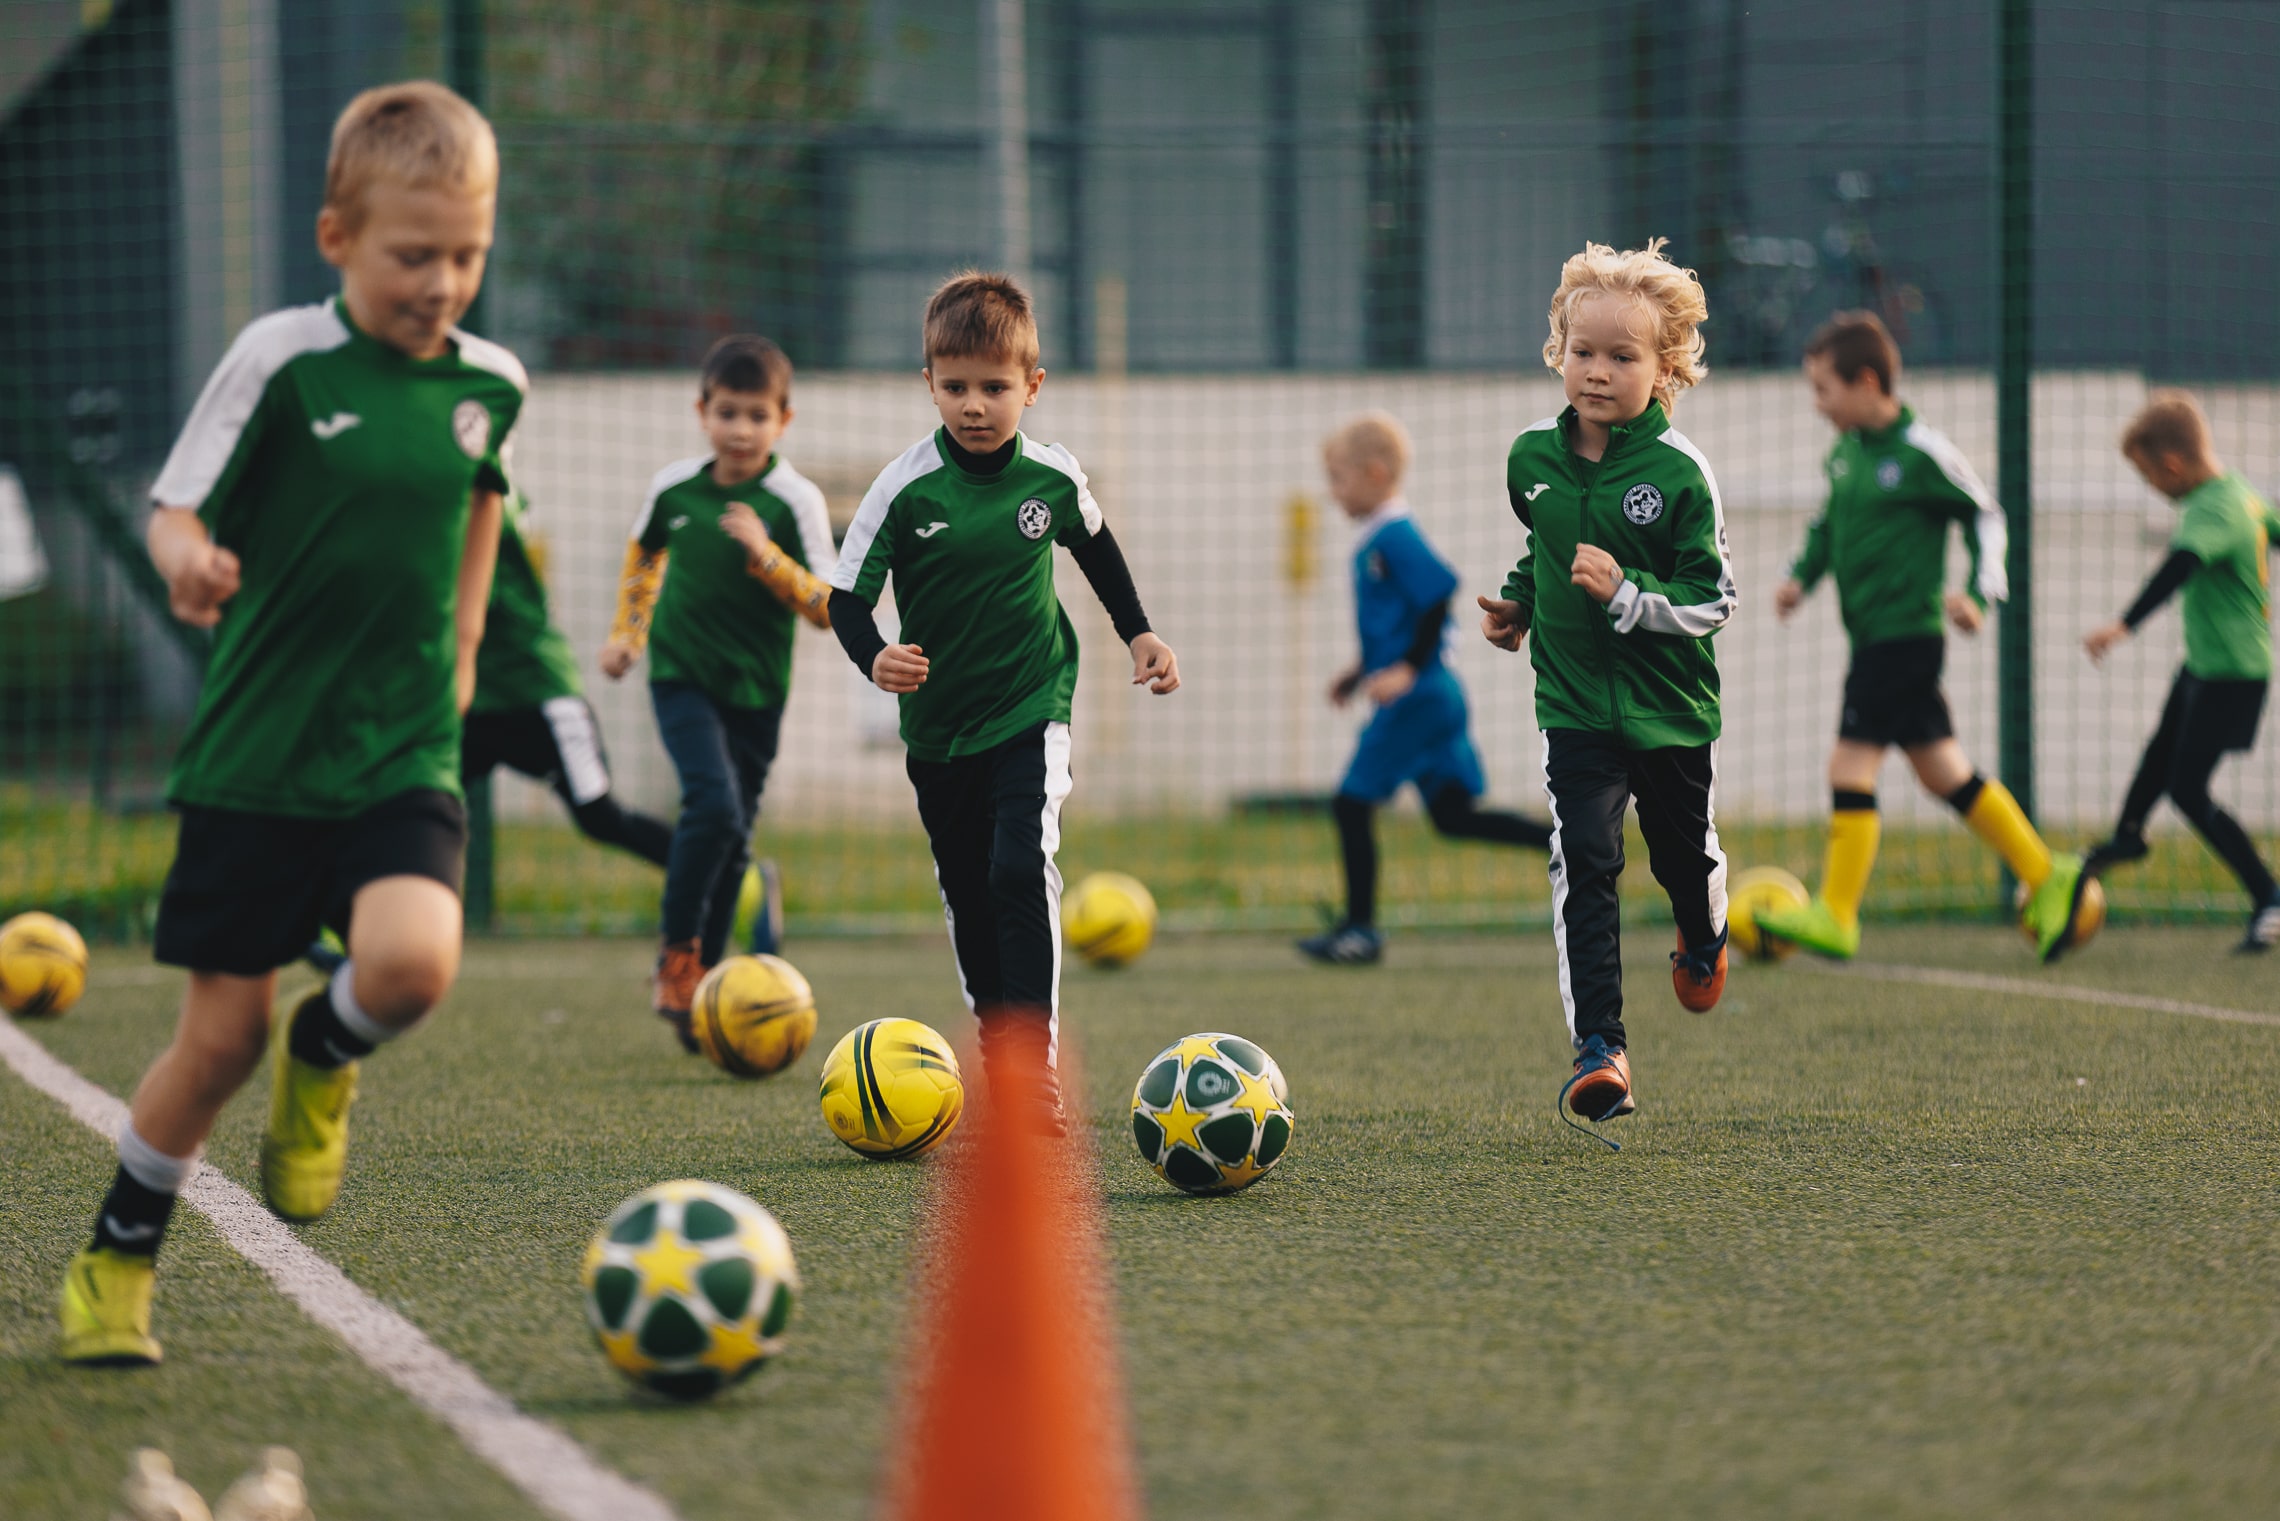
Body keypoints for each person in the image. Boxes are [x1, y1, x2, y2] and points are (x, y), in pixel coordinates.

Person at [61, 81, 522, 1364]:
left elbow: (484, 498)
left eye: (467, 256)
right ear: (338, 238)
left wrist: (469, 646)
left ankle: (329, 1049)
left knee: (414, 965)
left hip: (401, 745)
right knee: (215, 1044)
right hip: (261, 757)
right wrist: (186, 561)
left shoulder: (494, 383)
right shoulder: (280, 358)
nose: (440, 283)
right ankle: (118, 1256)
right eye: (411, 254)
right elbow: (174, 505)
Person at [826, 271, 1179, 1129]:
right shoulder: (903, 489)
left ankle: (1032, 1067)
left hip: (1032, 705)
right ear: (929, 385)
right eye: (955, 387)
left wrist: (1139, 633)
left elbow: (1096, 551)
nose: (974, 405)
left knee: (1019, 864)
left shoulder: (1052, 477)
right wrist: (875, 658)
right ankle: (994, 1041)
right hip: (939, 731)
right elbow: (844, 598)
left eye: (994, 387)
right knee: (969, 888)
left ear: (1032, 385)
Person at [1476, 238, 1735, 1144]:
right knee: (1584, 857)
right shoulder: (1529, 462)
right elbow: (1547, 542)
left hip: (1670, 713)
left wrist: (1628, 598)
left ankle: (1703, 936)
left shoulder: (1678, 475)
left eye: (1622, 357)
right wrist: (1518, 603)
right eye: (1582, 351)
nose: (1597, 372)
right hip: (1575, 709)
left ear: (1665, 370)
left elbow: (1715, 600)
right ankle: (1599, 1052)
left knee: (1677, 859)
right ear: (1559, 351)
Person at [1758, 311, 2087, 962]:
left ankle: (1837, 914)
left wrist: (1982, 591)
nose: (1817, 404)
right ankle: (2047, 873)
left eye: (1824, 389)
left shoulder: (1924, 453)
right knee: (1944, 772)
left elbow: (1986, 516)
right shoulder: (1846, 453)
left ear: (1867, 381)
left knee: (1849, 764)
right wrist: (1801, 577)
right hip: (1877, 639)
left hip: (1904, 637)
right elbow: (1828, 527)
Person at [599, 334, 833, 1049]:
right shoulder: (674, 488)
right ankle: (677, 956)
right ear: (702, 411)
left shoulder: (794, 499)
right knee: (713, 803)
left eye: (756, 416)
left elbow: (828, 605)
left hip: (757, 692)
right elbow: (645, 556)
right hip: (680, 677)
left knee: (733, 836)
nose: (740, 429)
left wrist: (767, 556)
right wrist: (629, 633)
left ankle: (710, 986)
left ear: (782, 421)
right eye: (727, 412)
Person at [1299, 411, 1551, 966]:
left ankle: (1359, 930)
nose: (1332, 491)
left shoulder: (1394, 535)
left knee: (1349, 802)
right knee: (1452, 816)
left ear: (1374, 472)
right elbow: (1398, 621)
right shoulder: (1374, 540)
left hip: (1421, 696)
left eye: (1338, 478)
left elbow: (1439, 594)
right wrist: (1360, 670)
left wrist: (1407, 670)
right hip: (1434, 697)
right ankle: (1564, 844)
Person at [2082, 389, 2280, 951]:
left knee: (2187, 788)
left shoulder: (2212, 508)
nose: (2151, 488)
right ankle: (2127, 837)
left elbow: (2181, 565)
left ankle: (2269, 896)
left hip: (2233, 673)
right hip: (2207, 666)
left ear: (2171, 465)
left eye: (2148, 477)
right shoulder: (2242, 494)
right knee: (2160, 753)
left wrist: (2123, 625)